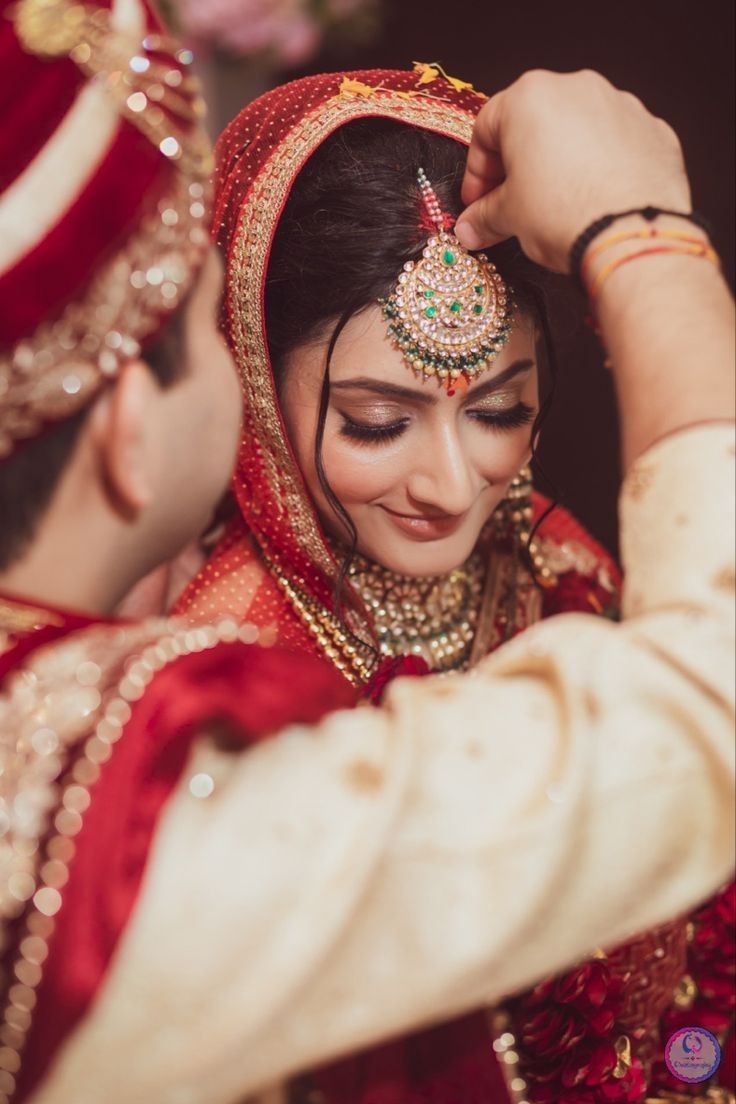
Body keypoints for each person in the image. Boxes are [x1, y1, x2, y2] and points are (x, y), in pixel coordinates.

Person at [0, 11, 732, 1102]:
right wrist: (642, 232)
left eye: (502, 411)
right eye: (377, 424)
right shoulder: (192, 758)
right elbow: (701, 714)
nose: (446, 483)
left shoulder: (563, 574)